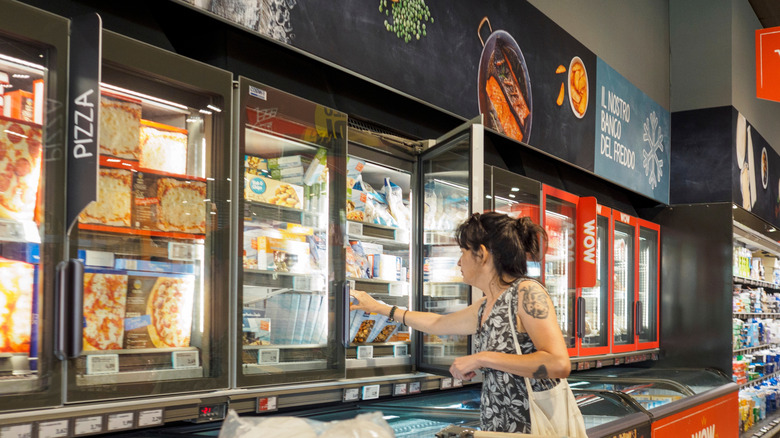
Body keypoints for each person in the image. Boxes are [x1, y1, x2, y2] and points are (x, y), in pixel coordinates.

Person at [349, 211, 571, 433]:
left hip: (534, 430)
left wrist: (481, 358)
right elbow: (438, 324)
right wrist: (380, 308)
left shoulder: (526, 292)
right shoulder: (487, 304)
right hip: (499, 430)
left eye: (463, 251)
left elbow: (559, 364)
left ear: (482, 254)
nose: (458, 261)